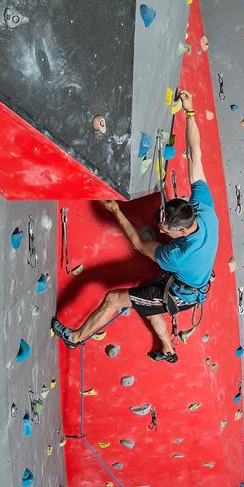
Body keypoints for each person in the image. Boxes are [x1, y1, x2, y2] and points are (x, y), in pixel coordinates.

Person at [51, 89, 218, 364]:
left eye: (166, 229)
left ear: (181, 231)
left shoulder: (176, 255)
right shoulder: (204, 209)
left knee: (115, 299)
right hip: (194, 275)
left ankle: (76, 338)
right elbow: (195, 155)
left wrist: (116, 210)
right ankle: (167, 349)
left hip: (183, 291)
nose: (162, 230)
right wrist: (189, 112)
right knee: (145, 302)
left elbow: (140, 245)